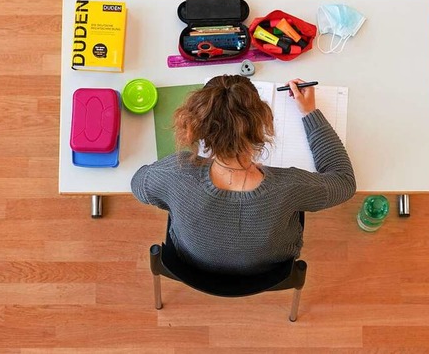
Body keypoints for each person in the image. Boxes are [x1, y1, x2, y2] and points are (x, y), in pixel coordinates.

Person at [131, 74, 356, 275]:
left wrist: (178, 200)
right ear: (261, 126)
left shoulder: (177, 173)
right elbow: (344, 181)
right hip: (271, 269)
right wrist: (310, 112)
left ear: (197, 127)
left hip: (191, 263)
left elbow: (138, 184)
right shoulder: (288, 187)